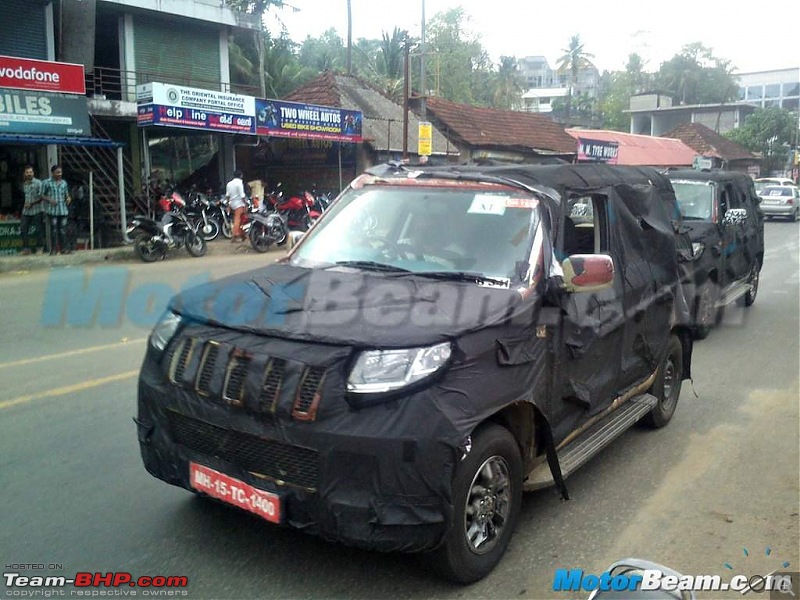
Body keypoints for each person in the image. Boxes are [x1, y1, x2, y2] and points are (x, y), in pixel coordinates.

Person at [42, 165, 72, 255]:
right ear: (53, 173)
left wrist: (68, 198)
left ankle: (64, 249)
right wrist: (49, 200)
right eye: (57, 172)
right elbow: (42, 195)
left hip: (63, 210)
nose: (59, 174)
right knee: (54, 230)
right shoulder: (47, 182)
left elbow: (67, 194)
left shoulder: (64, 183)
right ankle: (54, 249)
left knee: (63, 230)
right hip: (53, 210)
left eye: (60, 172)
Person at [19, 165, 46, 255]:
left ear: (33, 173)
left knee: (38, 229)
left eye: (31, 172)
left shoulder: (38, 183)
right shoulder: (24, 184)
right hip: (26, 211)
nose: (29, 174)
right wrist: (27, 205)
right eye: (27, 172)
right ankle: (26, 249)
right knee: (23, 229)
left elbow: (41, 197)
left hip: (37, 210)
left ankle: (40, 248)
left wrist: (32, 204)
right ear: (24, 174)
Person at [226, 169, 247, 243]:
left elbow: (227, 196)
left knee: (238, 219)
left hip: (232, 204)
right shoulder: (239, 183)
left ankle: (242, 235)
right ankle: (235, 235)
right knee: (240, 219)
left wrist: (228, 205)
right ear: (241, 175)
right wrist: (246, 203)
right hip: (239, 204)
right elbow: (242, 195)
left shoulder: (229, 183)